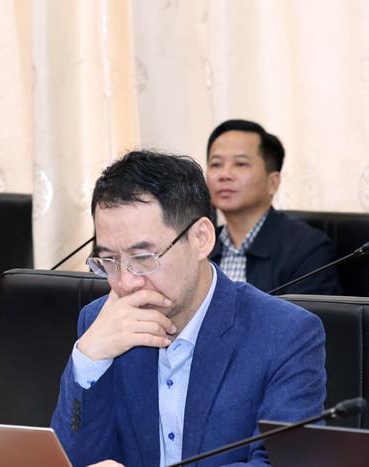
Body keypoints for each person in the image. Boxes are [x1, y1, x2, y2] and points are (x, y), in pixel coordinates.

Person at [51, 150, 326, 467]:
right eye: (109, 260)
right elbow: (73, 460)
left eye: (143, 258)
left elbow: (280, 464)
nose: (125, 283)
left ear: (201, 239)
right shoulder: (101, 323)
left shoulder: (285, 334)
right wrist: (88, 360)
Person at [206, 119, 340, 294]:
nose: (224, 175)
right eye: (216, 164)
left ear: (273, 182)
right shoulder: (200, 247)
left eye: (240, 164)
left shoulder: (308, 249)